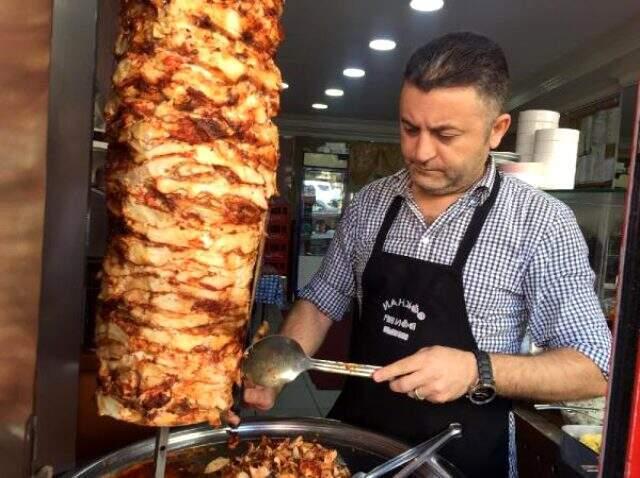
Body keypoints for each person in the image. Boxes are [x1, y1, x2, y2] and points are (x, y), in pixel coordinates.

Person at [241, 32, 611, 477]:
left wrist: (478, 370)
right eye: (409, 127)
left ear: (497, 130)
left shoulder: (541, 222)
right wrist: (278, 367)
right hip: (357, 446)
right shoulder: (372, 203)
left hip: (464, 452)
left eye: (445, 134)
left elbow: (594, 365)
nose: (420, 151)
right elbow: (322, 301)